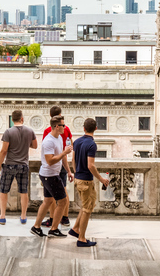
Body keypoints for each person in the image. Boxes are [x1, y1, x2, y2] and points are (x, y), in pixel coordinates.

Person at [69, 118, 109, 247]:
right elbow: (91, 166)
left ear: (83, 128)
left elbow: (73, 160)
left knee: (86, 206)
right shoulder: (92, 144)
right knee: (87, 209)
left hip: (78, 178)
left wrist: (76, 173)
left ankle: (75, 228)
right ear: (96, 129)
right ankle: (81, 239)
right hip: (86, 181)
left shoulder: (77, 141)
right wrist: (102, 179)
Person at [31, 116, 72, 238]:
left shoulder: (59, 137)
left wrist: (69, 171)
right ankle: (54, 229)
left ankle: (36, 227)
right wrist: (64, 152)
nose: (65, 127)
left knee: (48, 201)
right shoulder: (48, 141)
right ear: (57, 126)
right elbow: (49, 161)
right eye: (63, 125)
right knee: (63, 201)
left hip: (51, 174)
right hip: (50, 175)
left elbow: (62, 157)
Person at [0, 109, 37, 225]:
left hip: (10, 166)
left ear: (12, 120)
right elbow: (35, 145)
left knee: (3, 191)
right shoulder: (30, 131)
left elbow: (3, 151)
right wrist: (24, 143)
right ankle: (23, 216)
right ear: (22, 119)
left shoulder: (8, 132)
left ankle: (2, 216)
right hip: (24, 165)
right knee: (24, 192)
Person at [41, 105, 73, 228]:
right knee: (63, 190)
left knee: (51, 195)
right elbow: (70, 143)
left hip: (53, 165)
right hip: (62, 163)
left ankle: (52, 218)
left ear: (50, 117)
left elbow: (45, 150)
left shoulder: (47, 131)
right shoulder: (67, 129)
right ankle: (65, 217)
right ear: (60, 116)